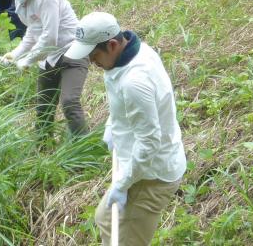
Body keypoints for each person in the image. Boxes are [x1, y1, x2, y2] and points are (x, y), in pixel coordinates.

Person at [64, 12, 187, 246]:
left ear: (112, 44)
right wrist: (114, 124)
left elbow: (150, 143)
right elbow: (130, 106)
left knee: (122, 239)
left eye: (93, 55)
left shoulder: (135, 81)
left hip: (150, 175)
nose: (91, 62)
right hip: (137, 164)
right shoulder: (132, 53)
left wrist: (122, 184)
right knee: (105, 220)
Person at [0, 0, 89, 139]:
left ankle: (86, 152)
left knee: (69, 102)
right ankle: (43, 145)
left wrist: (28, 60)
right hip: (49, 57)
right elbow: (33, 31)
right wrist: (15, 54)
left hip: (72, 52)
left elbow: (50, 37)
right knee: (44, 106)